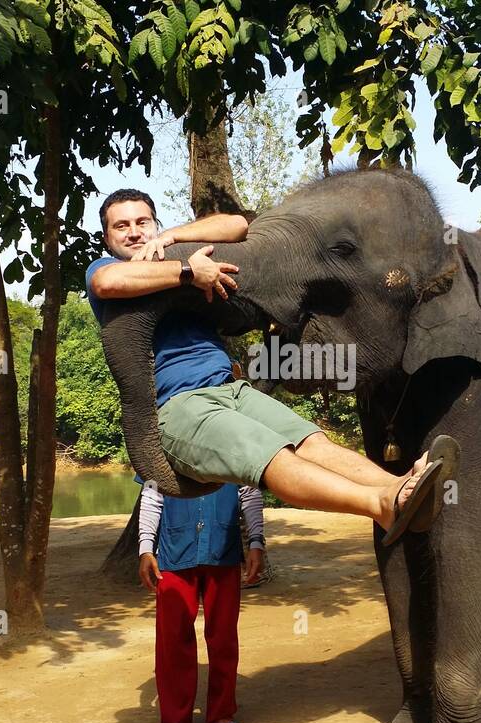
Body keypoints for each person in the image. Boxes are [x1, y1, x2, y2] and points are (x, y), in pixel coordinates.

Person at [84, 189, 459, 546]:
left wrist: (171, 238)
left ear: (154, 224)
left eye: (142, 222)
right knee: (272, 453)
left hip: (231, 390)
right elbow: (108, 282)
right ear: (106, 237)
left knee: (311, 441)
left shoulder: (171, 246)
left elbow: (237, 225)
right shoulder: (106, 268)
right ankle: (379, 507)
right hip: (181, 406)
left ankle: (399, 486)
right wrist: (189, 271)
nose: (134, 232)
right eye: (121, 226)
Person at [137, 480, 265, 723]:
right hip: (174, 552)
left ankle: (221, 714)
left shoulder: (235, 445)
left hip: (223, 549)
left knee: (223, 637)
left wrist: (256, 541)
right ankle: (174, 719)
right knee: (172, 638)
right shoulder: (162, 445)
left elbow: (249, 492)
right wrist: (145, 549)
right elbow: (152, 496)